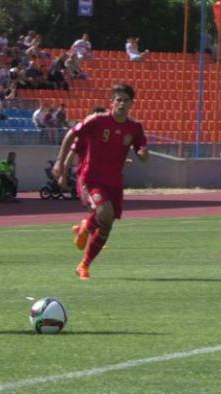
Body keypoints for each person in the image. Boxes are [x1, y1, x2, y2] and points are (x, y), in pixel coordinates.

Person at [53, 84, 149, 281]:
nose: (121, 104)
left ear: (132, 103)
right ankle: (85, 228)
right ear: (112, 102)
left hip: (114, 182)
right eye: (118, 99)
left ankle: (84, 264)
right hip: (92, 178)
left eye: (125, 100)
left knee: (107, 224)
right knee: (105, 212)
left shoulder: (134, 128)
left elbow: (142, 152)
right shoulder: (97, 120)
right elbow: (71, 134)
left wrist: (142, 153)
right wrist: (59, 162)